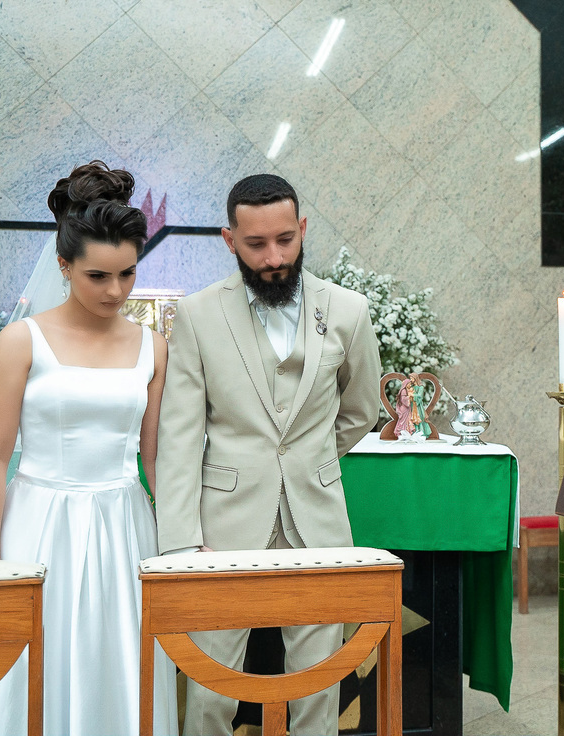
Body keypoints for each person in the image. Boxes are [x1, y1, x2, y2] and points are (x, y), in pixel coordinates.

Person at [0, 161, 177, 735]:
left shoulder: (154, 347)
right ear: (65, 265)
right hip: (38, 528)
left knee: (122, 669)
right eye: (98, 276)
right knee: (25, 671)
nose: (116, 291)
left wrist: (179, 546)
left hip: (125, 528)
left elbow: (155, 459)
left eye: (127, 274)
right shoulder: (21, 341)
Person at [155, 173, 381, 736]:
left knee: (318, 683)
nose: (274, 256)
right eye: (256, 245)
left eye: (285, 239)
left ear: (302, 229)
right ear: (228, 240)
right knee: (210, 687)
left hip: (317, 521)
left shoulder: (349, 312)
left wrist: (313, 461)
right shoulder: (199, 315)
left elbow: (359, 410)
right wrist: (180, 542)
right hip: (221, 527)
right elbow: (179, 435)